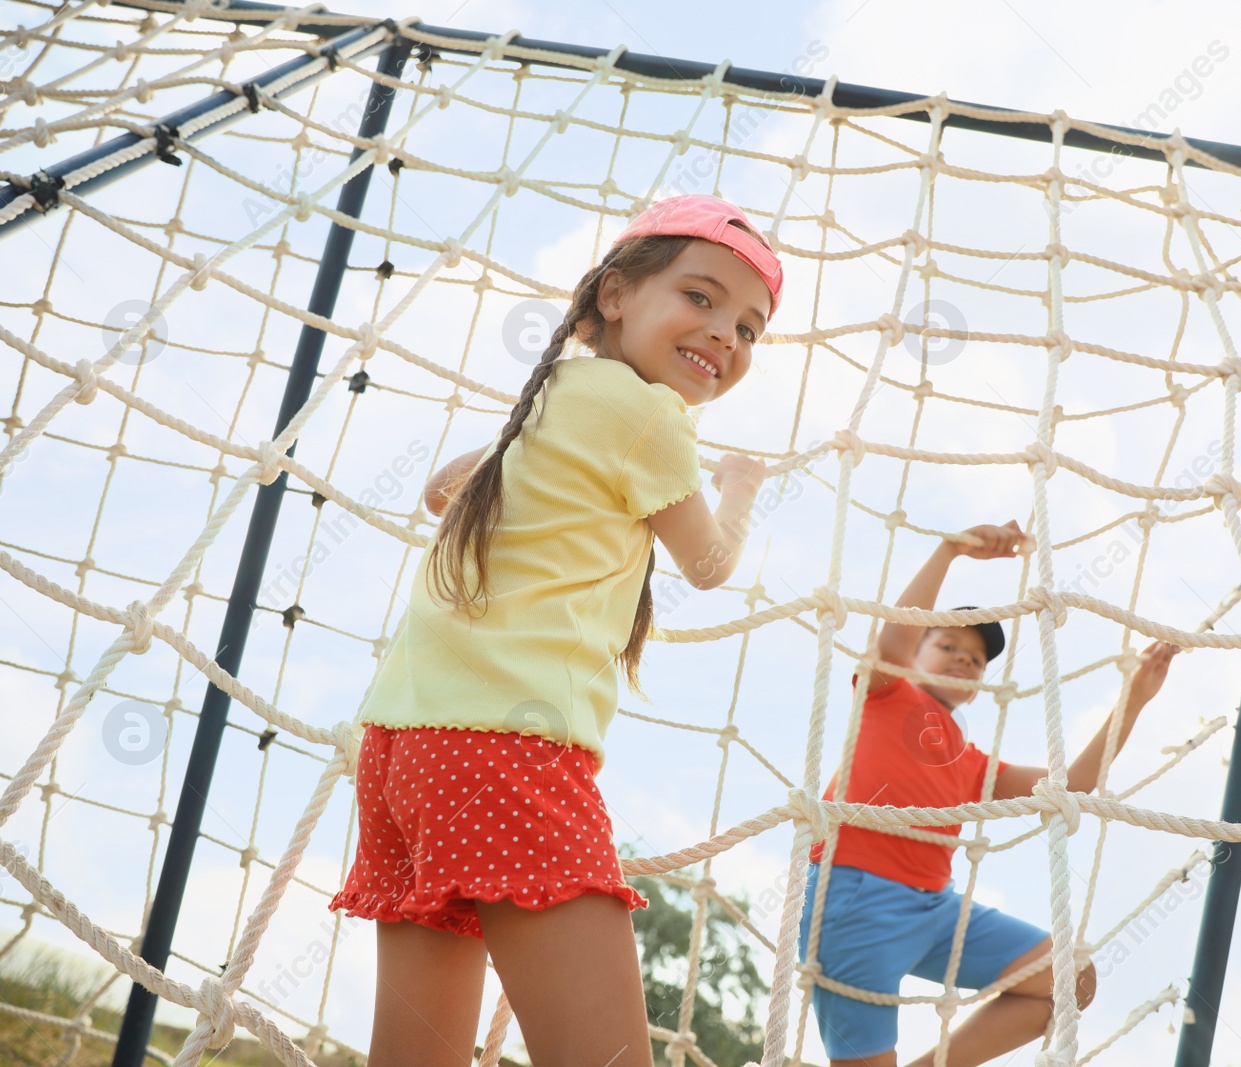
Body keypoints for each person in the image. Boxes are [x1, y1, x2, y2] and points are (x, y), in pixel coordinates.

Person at [329, 195, 784, 1067]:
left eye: (750, 328)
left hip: (400, 750)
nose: (727, 334)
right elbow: (710, 564)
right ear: (614, 294)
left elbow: (439, 487)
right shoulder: (649, 418)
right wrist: (741, 485)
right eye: (701, 297)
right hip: (510, 750)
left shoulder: (554, 397)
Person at [799, 522, 1179, 1067]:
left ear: (980, 685)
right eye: (947, 644)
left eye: (975, 660)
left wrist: (1134, 700)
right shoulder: (884, 693)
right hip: (854, 901)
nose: (962, 659)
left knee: (1071, 978)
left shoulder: (973, 763)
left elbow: (1070, 783)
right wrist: (949, 550)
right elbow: (894, 639)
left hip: (934, 913)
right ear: (918, 652)